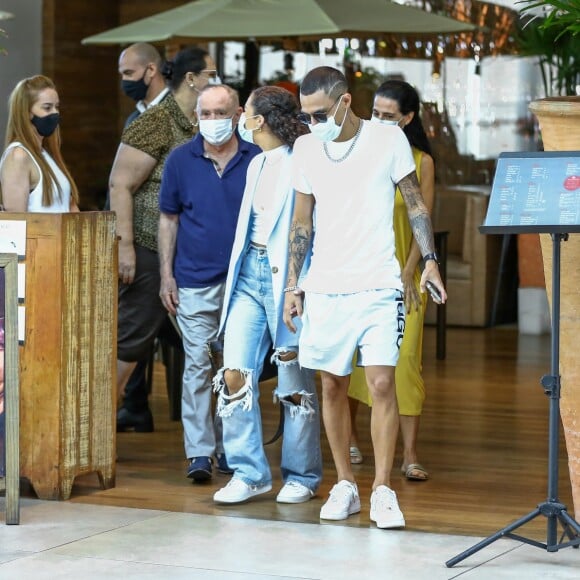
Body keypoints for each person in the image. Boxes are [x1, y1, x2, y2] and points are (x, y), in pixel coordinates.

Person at [283, 66, 446, 529]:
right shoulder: (306, 148)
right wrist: (294, 286)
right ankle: (345, 484)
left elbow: (415, 203)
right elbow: (301, 223)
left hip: (379, 281)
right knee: (332, 385)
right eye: (306, 115)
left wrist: (429, 259)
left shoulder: (386, 140)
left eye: (319, 113)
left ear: (345, 102)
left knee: (380, 384)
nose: (314, 123)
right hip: (325, 284)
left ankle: (382, 489)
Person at [212, 86, 322, 505]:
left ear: (259, 120)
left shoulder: (304, 159)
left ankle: (302, 476)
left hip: (288, 280)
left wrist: (303, 283)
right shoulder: (256, 163)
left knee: (294, 382)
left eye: (247, 111)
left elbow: (309, 227)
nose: (240, 116)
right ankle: (249, 472)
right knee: (235, 373)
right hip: (248, 276)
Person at [109, 46, 218, 429]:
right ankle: (95, 429)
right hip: (148, 249)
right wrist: (125, 248)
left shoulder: (196, 124)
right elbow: (120, 183)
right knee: (130, 345)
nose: (214, 81)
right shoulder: (155, 121)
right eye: (210, 74)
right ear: (191, 79)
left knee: (201, 346)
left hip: (186, 257)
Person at [158, 84, 260, 482]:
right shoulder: (180, 160)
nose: (213, 121)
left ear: (238, 116)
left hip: (244, 283)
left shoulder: (258, 160)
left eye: (221, 113)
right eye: (206, 114)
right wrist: (167, 275)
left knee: (236, 368)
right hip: (194, 280)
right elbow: (169, 219)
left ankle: (232, 450)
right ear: (195, 117)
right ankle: (199, 452)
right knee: (198, 366)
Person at [348, 80, 435, 482]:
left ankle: (410, 454)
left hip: (405, 276)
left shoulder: (420, 161)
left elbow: (423, 218)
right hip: (360, 272)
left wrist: (409, 270)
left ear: (408, 118)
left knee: (404, 364)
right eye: (375, 114)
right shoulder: (356, 154)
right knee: (352, 362)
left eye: (388, 116)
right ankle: (350, 438)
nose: (379, 121)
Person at [115, 42, 170, 433]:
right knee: (131, 333)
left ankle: (100, 416)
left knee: (131, 337)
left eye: (128, 74)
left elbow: (124, 184)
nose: (124, 82)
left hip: (155, 244)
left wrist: (128, 245)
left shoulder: (167, 117)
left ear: (151, 71)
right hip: (139, 243)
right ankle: (132, 406)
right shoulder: (139, 115)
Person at [0, 75, 79, 212]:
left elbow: (71, 209)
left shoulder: (45, 154)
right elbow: (16, 223)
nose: (55, 113)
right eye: (47, 108)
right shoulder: (18, 156)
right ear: (27, 112)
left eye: (56, 107)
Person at [119, 42, 170, 128]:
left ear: (151, 70)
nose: (124, 80)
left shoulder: (180, 109)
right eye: (122, 75)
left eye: (129, 73)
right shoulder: (133, 119)